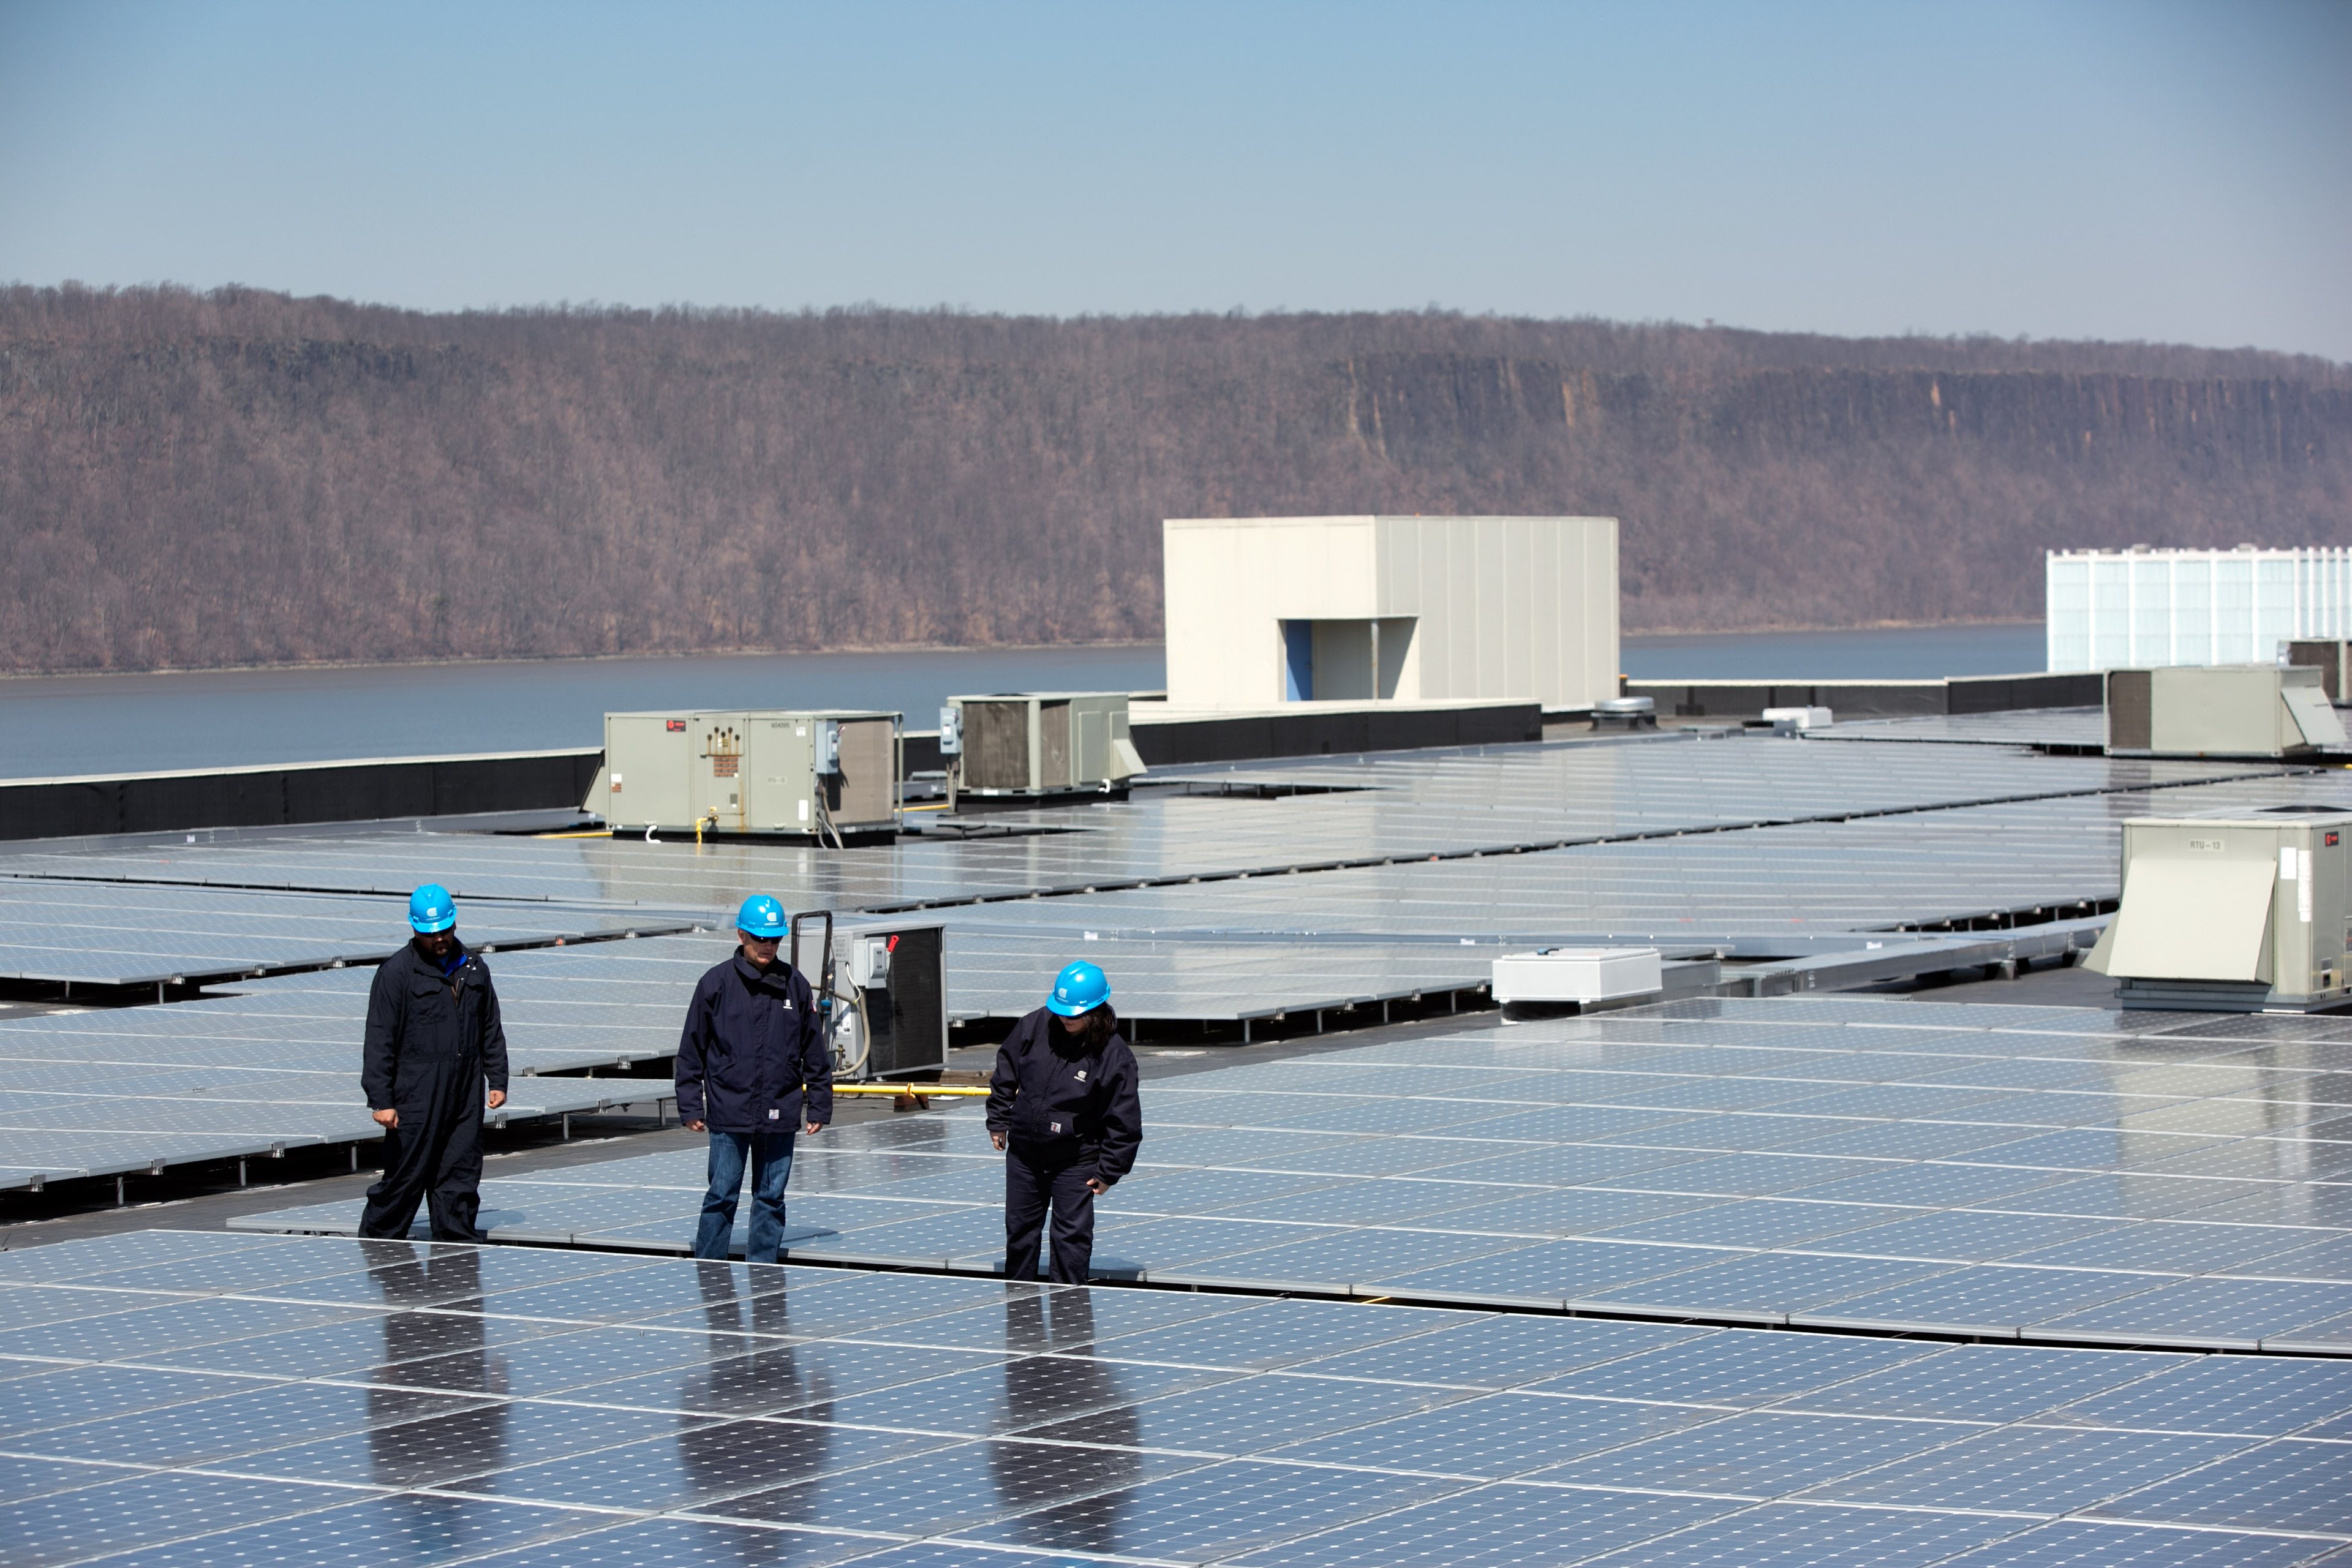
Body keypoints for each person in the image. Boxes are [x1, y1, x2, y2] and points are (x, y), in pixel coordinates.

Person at [676, 895, 832, 1262]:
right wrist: (689, 1106)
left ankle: (764, 1271)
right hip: (729, 1111)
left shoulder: (795, 985)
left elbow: (814, 1051)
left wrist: (820, 1106)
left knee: (770, 1196)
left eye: (775, 940)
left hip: (780, 1109)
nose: (768, 947)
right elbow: (691, 1050)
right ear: (742, 935)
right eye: (761, 939)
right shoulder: (715, 985)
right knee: (722, 1194)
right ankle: (710, 1267)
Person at [359, 883, 509, 1242]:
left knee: (459, 1174)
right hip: (415, 1097)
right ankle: (379, 1243)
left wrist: (498, 1079)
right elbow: (379, 1039)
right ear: (414, 929)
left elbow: (490, 1026)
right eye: (429, 933)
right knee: (405, 1177)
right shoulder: (397, 974)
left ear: (455, 924)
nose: (438, 939)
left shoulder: (474, 968)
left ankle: (456, 1253)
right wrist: (381, 1100)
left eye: (443, 930)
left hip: (463, 1093)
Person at [987, 960, 1142, 1283]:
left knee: (1070, 1238)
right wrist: (999, 1119)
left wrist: (1110, 1171)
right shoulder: (1033, 1027)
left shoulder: (1114, 1057)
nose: (1065, 1019)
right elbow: (1006, 1072)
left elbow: (1124, 1121)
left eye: (1073, 1015)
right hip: (1025, 1155)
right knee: (1020, 1232)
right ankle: (1019, 1309)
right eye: (1061, 1011)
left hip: (1076, 1162)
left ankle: (1069, 1311)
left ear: (1096, 1010)